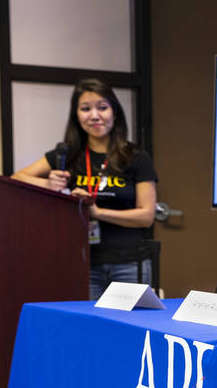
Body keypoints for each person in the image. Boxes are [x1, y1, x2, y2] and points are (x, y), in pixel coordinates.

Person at [12, 78, 158, 300]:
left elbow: (146, 215)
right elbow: (16, 178)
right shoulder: (67, 155)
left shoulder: (136, 156)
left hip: (129, 263)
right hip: (82, 263)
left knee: (125, 332)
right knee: (88, 331)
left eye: (102, 107)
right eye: (85, 109)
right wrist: (48, 184)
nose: (94, 115)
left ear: (114, 112)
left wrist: (98, 213)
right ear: (76, 116)